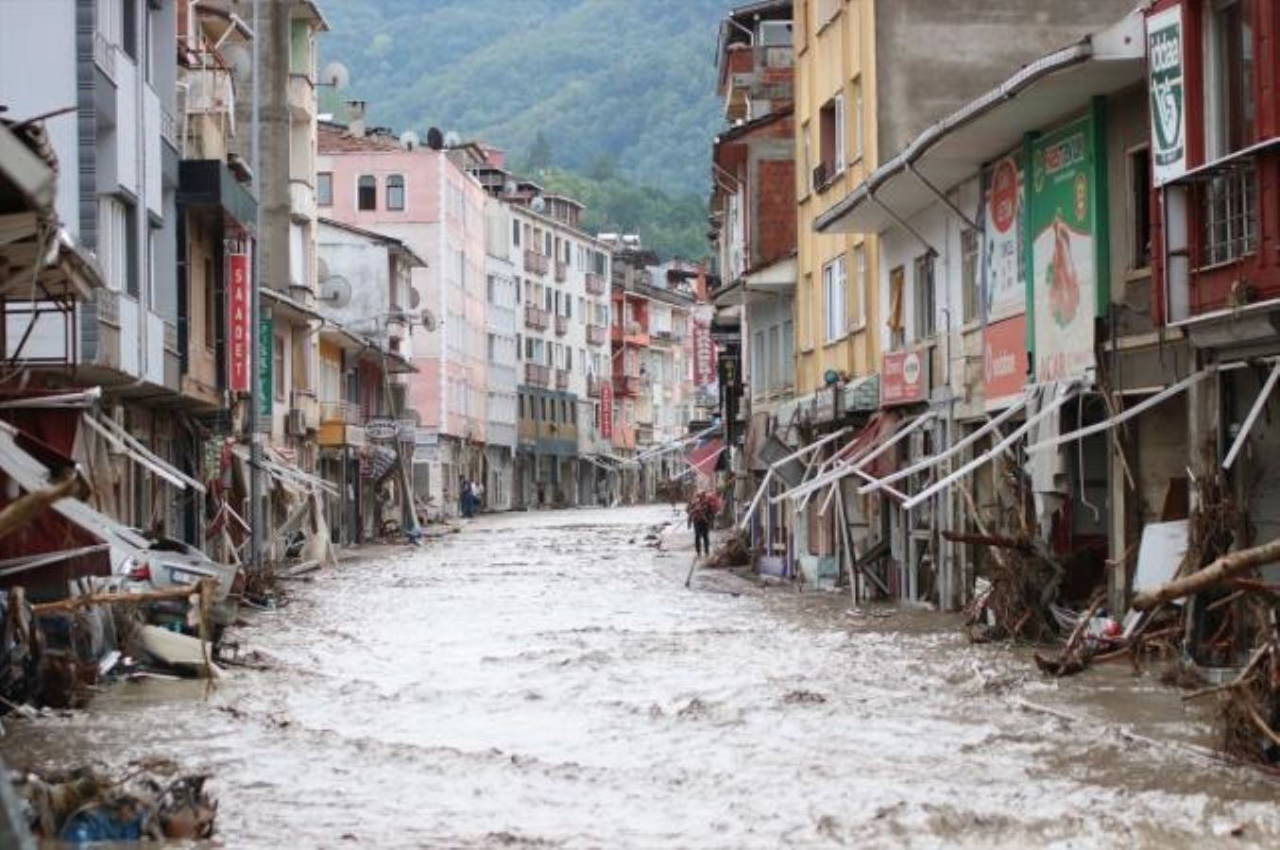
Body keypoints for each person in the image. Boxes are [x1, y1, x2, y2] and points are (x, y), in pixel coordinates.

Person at [687, 488, 722, 558]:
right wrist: (690, 521)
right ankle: (699, 552)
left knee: (704, 537)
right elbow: (689, 512)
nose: (700, 497)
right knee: (698, 537)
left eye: (702, 495)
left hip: (704, 521)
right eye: (700, 495)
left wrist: (709, 520)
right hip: (697, 521)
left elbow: (711, 512)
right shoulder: (694, 502)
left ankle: (706, 552)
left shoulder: (707, 503)